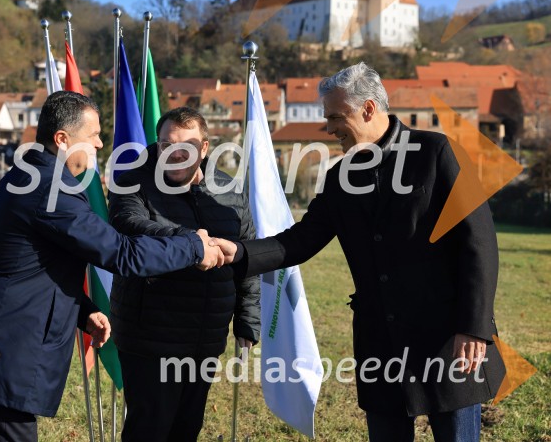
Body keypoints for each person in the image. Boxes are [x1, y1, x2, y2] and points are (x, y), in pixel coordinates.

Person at [215, 63, 505, 442]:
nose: (330, 128)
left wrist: (474, 328)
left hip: (447, 341)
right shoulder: (340, 179)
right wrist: (236, 252)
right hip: (380, 344)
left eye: (336, 117)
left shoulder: (436, 153)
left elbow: (478, 244)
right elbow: (299, 241)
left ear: (368, 109)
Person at [0, 92, 228, 442]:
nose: (100, 143)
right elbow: (123, 254)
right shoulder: (49, 189)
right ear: (62, 139)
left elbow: (32, 266)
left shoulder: (34, 175)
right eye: (92, 135)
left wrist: (84, 311)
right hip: (2, 350)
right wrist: (193, 246)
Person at [107, 107, 261, 442]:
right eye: (166, 145)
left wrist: (247, 317)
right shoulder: (132, 180)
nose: (174, 154)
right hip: (150, 336)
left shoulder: (229, 191)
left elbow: (246, 253)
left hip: (205, 337)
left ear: (204, 149)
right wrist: (191, 242)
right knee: (149, 431)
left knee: (187, 429)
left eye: (186, 147)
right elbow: (128, 224)